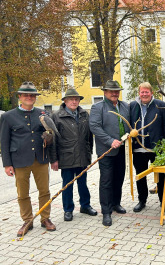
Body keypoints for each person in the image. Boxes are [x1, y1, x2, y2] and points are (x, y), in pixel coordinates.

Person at [0, 82, 56, 237]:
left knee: (44, 191)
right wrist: (7, 164)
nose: (29, 97)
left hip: (41, 159)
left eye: (32, 95)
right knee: (23, 194)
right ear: (20, 97)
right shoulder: (7, 117)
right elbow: (4, 142)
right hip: (19, 160)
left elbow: (51, 136)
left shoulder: (43, 114)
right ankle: (27, 220)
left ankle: (45, 218)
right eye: (26, 95)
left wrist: (49, 139)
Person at [50, 88, 97, 222]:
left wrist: (89, 153)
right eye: (71, 99)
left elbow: (89, 136)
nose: (74, 101)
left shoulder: (84, 114)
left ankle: (85, 206)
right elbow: (53, 140)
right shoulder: (56, 116)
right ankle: (68, 210)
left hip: (82, 155)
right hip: (66, 156)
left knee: (83, 183)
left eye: (76, 99)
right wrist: (54, 159)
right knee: (67, 184)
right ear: (65, 101)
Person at [89, 80, 130, 226]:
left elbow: (129, 124)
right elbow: (94, 126)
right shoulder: (97, 107)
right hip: (106, 151)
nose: (114, 93)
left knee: (119, 178)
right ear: (105, 92)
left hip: (121, 150)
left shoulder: (124, 106)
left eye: (117, 91)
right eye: (111, 91)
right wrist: (109, 140)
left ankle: (115, 204)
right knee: (106, 181)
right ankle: (106, 211)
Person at [130, 82, 165, 213]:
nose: (144, 94)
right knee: (140, 175)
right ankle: (142, 200)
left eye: (147, 92)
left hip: (156, 148)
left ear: (151, 93)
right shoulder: (133, 106)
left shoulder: (160, 105)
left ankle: (163, 200)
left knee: (161, 175)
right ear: (139, 93)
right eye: (142, 92)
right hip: (138, 148)